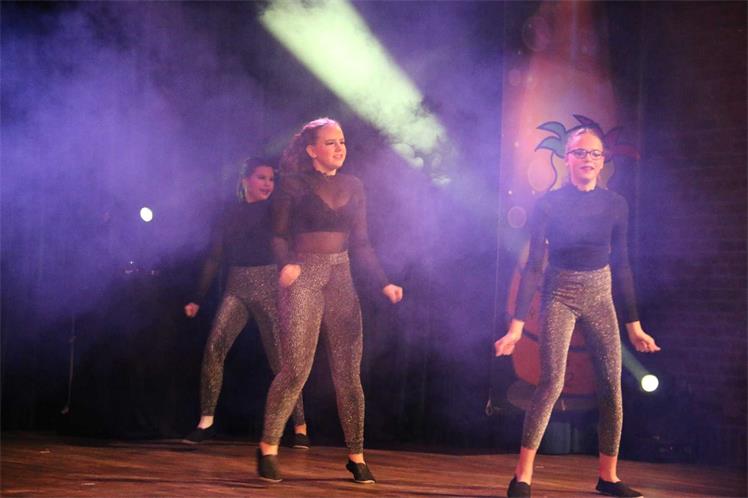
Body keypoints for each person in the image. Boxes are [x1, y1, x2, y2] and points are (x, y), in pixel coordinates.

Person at [494, 126, 660, 498]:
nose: (588, 159)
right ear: (567, 158)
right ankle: (522, 476)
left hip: (600, 296)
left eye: (595, 153)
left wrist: (634, 326)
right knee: (551, 383)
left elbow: (623, 265)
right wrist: (517, 327)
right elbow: (534, 266)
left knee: (611, 387)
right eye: (580, 153)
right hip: (559, 294)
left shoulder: (616, 204)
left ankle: (608, 476)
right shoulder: (549, 204)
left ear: (603, 161)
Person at [256, 118, 403, 484]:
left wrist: (384, 282)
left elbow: (362, 243)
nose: (340, 148)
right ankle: (268, 447)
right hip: (303, 275)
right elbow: (277, 235)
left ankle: (356, 456)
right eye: (331, 142)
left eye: (342, 142)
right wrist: (286, 263)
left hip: (341, 277)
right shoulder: (292, 184)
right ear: (312, 149)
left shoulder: (354, 185)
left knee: (349, 374)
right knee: (296, 369)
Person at [182, 158, 309, 448]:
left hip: (269, 284)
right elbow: (214, 257)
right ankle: (205, 422)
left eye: (271, 179)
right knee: (214, 347)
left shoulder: (275, 211)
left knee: (281, 359)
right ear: (245, 180)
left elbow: (291, 240)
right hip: (236, 286)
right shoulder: (228, 213)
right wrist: (197, 297)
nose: (267, 184)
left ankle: (300, 425)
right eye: (261, 178)